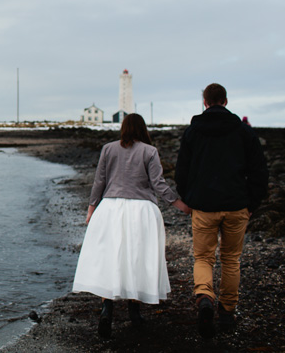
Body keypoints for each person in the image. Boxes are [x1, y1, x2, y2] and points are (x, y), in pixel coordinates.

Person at [72, 113, 191, 338]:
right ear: (143, 129)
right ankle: (134, 312)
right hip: (141, 210)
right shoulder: (149, 151)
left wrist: (91, 209)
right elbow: (158, 183)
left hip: (110, 209)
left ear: (123, 128)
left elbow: (99, 181)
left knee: (112, 258)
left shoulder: (108, 149)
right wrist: (179, 204)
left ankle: (107, 308)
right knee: (138, 257)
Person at [175, 83, 269, 338]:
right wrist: (252, 204)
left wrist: (188, 198)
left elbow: (181, 170)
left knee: (203, 258)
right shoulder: (243, 131)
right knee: (230, 260)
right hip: (237, 205)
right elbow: (260, 171)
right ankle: (227, 313)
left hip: (204, 206)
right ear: (225, 101)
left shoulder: (193, 132)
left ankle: (205, 297)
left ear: (205, 102)